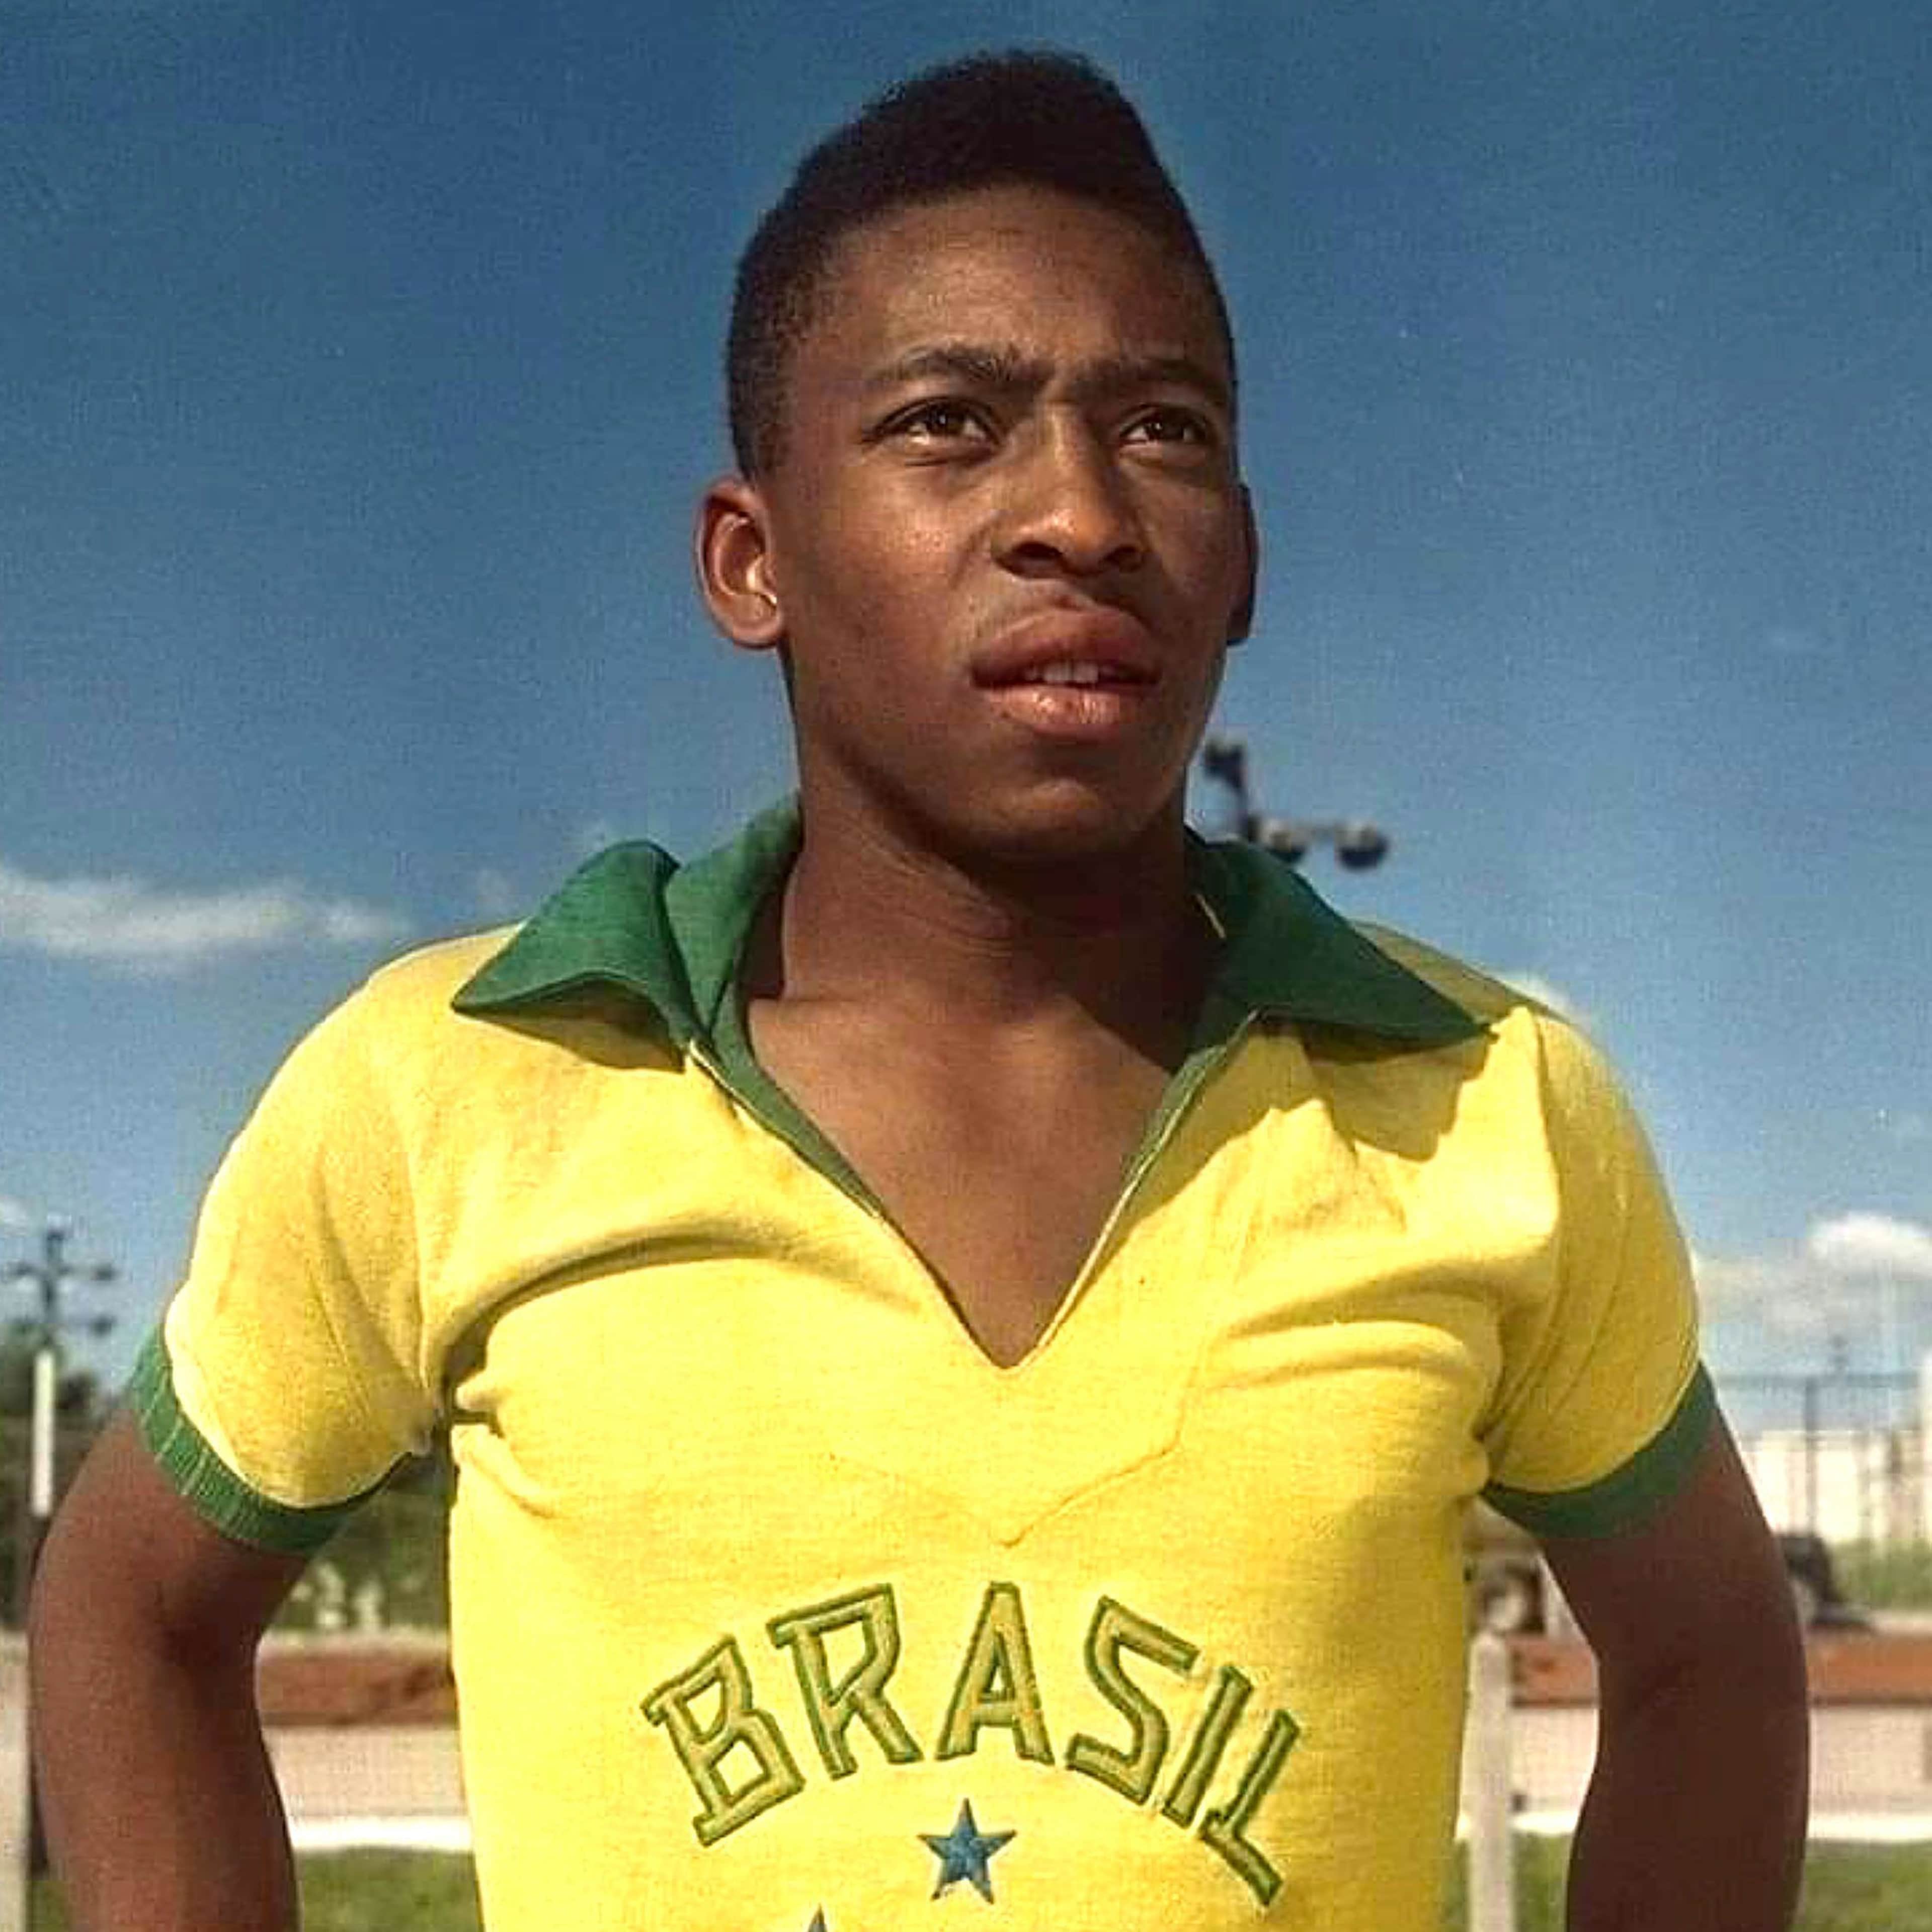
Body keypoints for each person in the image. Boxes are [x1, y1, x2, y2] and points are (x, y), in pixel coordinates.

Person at [31, 49, 1808, 1932]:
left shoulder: (1486, 1107)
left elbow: (1711, 1652)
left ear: (1244, 564)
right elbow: (130, 1604)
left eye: (1167, 430)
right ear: (753, 561)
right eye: (950, 423)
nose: (1081, 515)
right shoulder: (457, 1088)